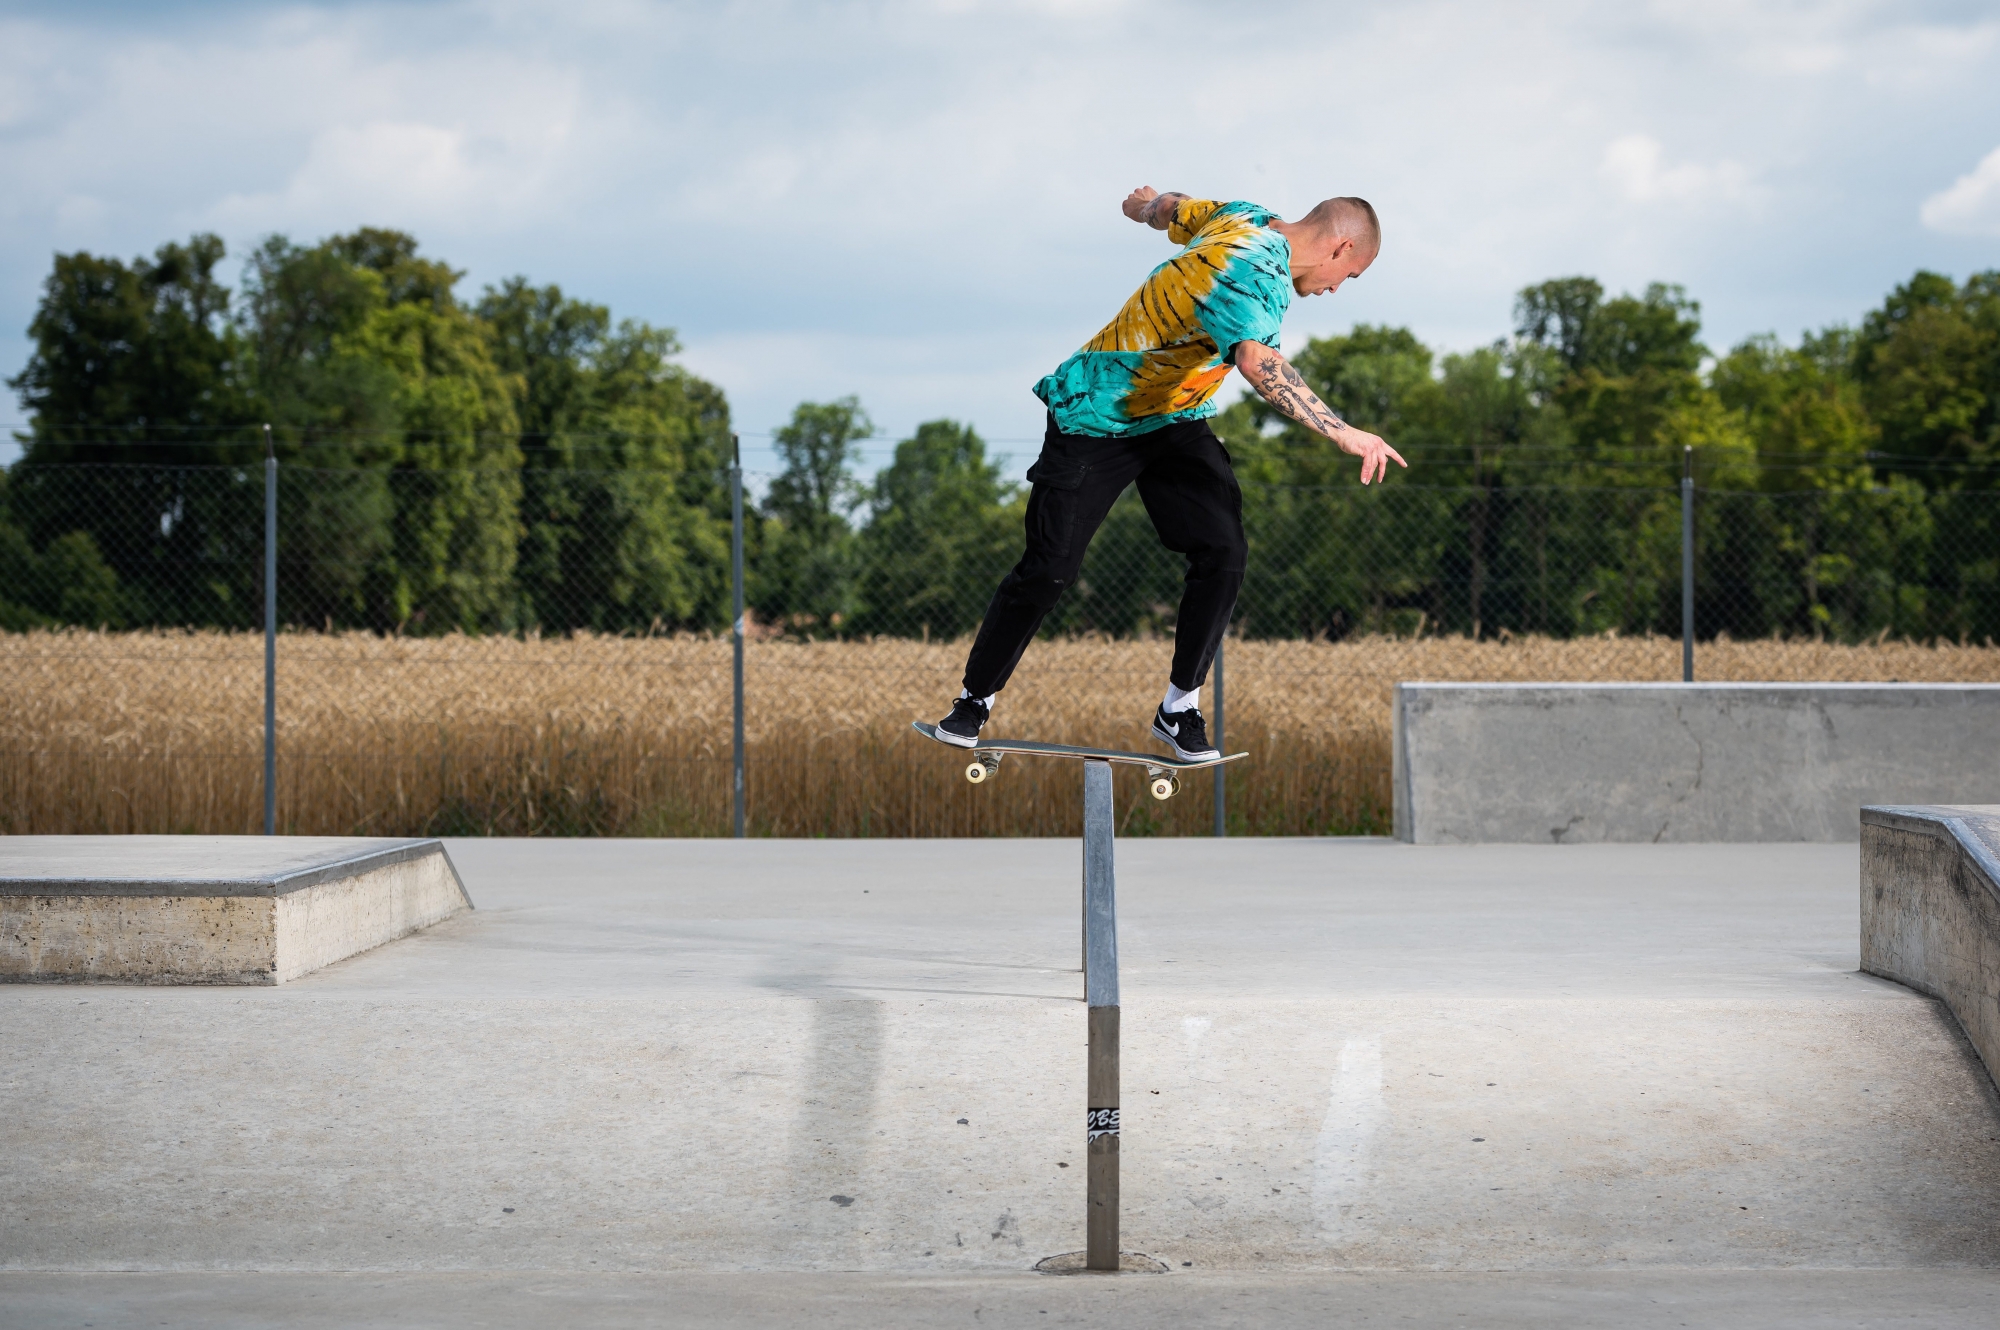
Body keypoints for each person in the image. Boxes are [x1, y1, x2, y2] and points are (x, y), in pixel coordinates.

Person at [932, 187, 1405, 757]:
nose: (1334, 290)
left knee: (1223, 550)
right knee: (1050, 568)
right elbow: (1258, 362)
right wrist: (1344, 432)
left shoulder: (1243, 217)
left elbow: (1171, 209)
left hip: (1177, 420)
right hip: (1096, 414)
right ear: (1341, 246)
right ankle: (974, 699)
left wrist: (1145, 204)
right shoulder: (1253, 271)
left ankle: (1178, 708)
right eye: (1347, 276)